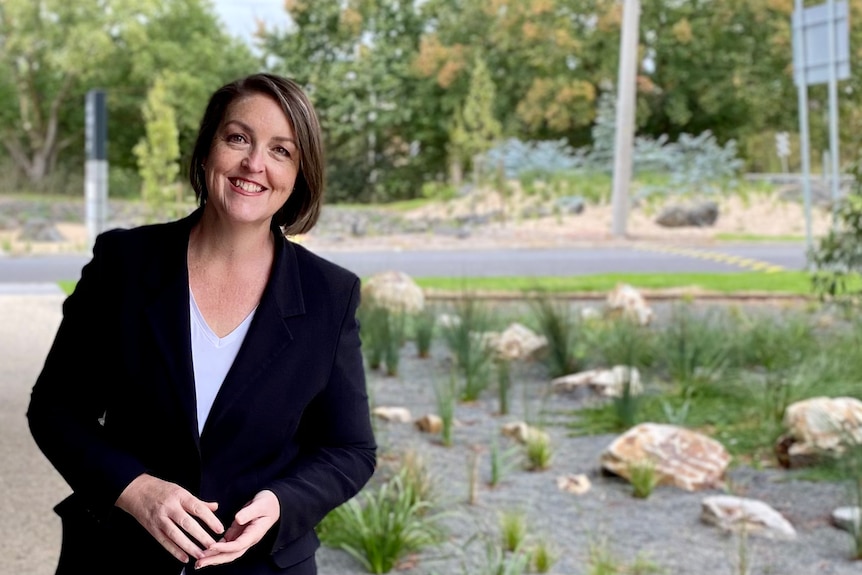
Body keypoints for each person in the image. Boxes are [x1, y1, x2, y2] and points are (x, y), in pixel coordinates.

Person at [27, 73, 377, 575]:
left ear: (301, 174)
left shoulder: (331, 295)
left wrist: (281, 503)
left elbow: (350, 449)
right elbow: (56, 409)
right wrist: (136, 490)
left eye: (281, 151)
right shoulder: (123, 263)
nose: (254, 164)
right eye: (238, 138)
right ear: (208, 147)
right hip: (117, 558)